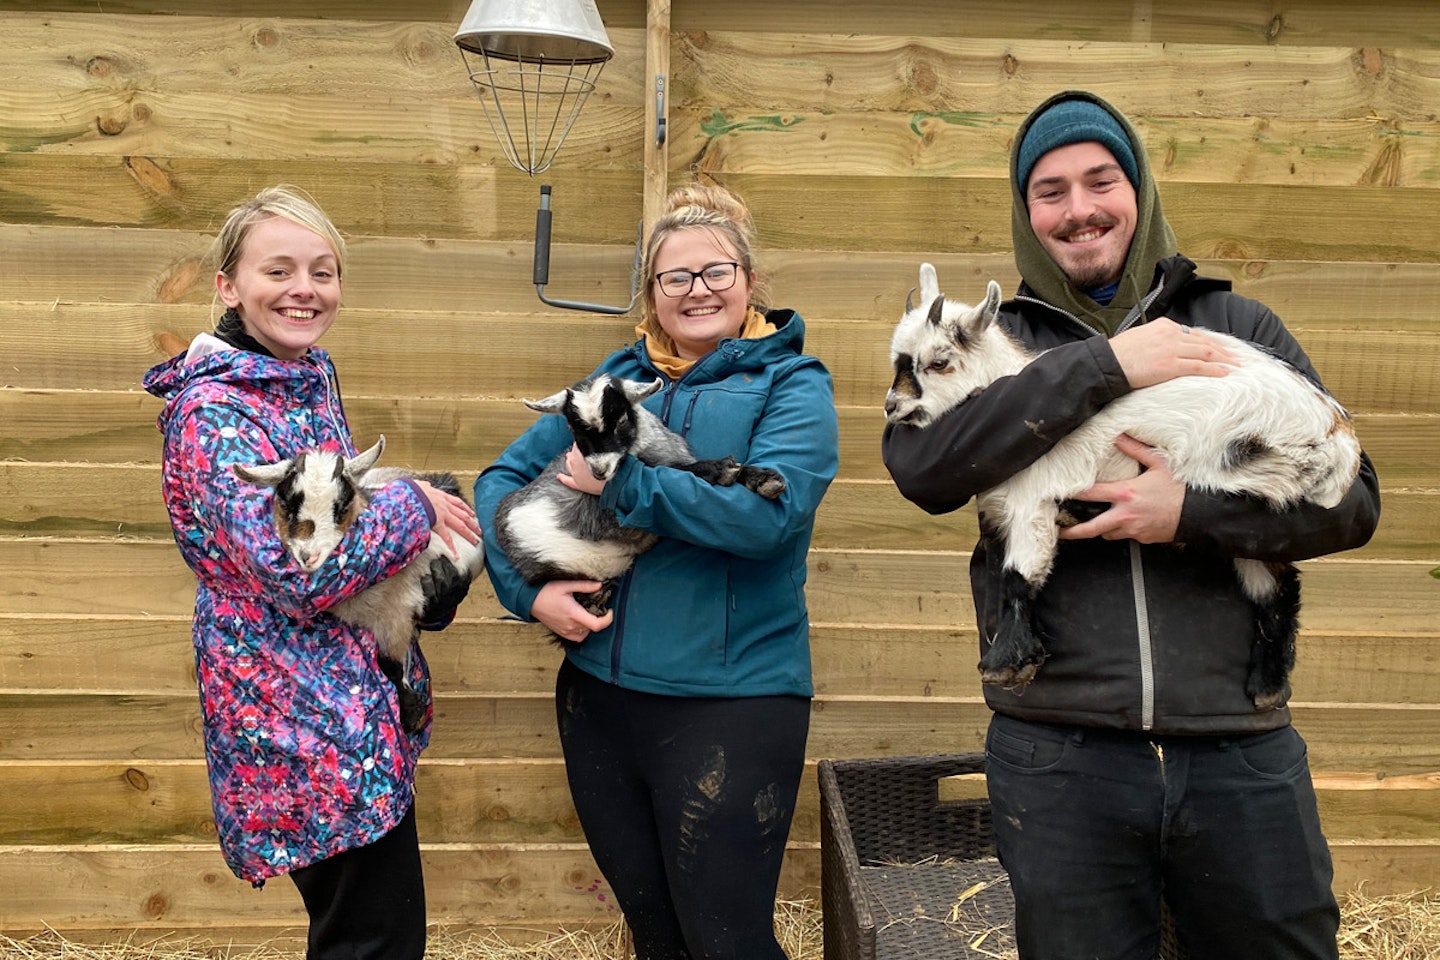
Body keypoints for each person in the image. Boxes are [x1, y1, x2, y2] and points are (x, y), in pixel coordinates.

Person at [883, 91, 1382, 959]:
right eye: (1050, 190)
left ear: (1138, 189)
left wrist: (1190, 513)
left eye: (1100, 179)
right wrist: (1107, 364)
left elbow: (1350, 504)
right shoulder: (981, 340)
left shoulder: (1235, 326)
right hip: (1060, 754)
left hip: (1238, 748)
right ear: (1026, 213)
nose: (1079, 210)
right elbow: (921, 469)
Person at [475, 183, 839, 960]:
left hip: (731, 702)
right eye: (676, 277)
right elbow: (497, 484)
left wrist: (623, 483)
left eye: (716, 272)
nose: (697, 290)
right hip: (599, 701)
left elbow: (765, 521)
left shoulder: (793, 386)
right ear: (652, 293)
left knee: (728, 940)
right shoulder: (613, 379)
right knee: (654, 935)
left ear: (748, 283)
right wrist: (528, 592)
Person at [142, 185, 480, 960]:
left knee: (377, 933)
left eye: (323, 272)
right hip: (291, 712)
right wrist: (416, 508)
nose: (305, 289)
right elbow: (297, 571)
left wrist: (420, 579)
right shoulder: (216, 413)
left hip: (346, 704)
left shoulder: (300, 379)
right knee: (371, 940)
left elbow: (344, 525)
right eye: (280, 270)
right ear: (228, 285)